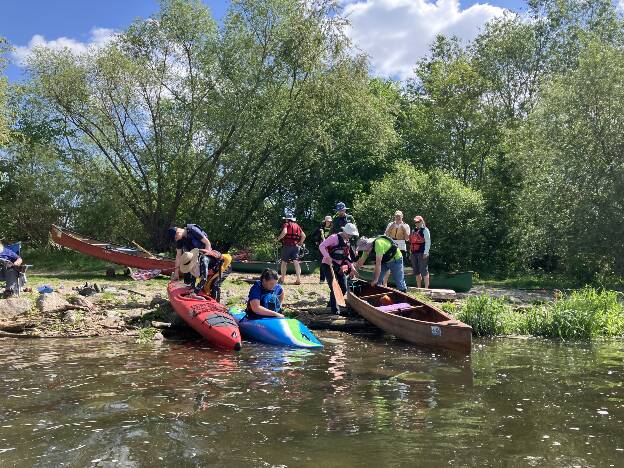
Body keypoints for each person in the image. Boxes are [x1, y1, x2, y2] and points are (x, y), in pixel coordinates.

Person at [318, 223, 359, 315]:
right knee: (334, 287)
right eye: (349, 234)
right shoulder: (334, 238)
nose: (350, 236)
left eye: (351, 235)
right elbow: (322, 246)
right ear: (344, 231)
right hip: (328, 265)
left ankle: (329, 306)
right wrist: (327, 256)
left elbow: (347, 255)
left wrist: (352, 267)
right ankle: (334, 312)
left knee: (343, 288)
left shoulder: (347, 241)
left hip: (339, 266)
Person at [276, 214, 306, 285]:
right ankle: (298, 279)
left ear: (287, 219)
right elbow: (304, 236)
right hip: (296, 246)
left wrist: (278, 239)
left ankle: (282, 279)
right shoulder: (297, 226)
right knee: (296, 262)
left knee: (284, 263)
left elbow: (285, 232)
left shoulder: (286, 224)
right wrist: (300, 243)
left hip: (287, 246)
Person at [409, 215, 431, 288]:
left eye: (418, 221)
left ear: (421, 221)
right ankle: (419, 287)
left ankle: (426, 288)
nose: (416, 223)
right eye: (415, 222)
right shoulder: (413, 230)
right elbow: (412, 242)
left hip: (422, 252)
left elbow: (428, 242)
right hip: (414, 253)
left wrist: (426, 252)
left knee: (424, 270)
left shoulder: (425, 230)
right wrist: (410, 253)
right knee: (416, 271)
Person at [314, 216, 333, 283]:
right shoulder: (320, 228)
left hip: (331, 248)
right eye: (327, 221)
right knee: (323, 263)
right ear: (325, 221)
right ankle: (322, 279)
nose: (328, 222)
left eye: (329, 221)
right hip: (323, 248)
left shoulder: (332, 228)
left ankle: (331, 278)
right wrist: (318, 238)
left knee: (332, 262)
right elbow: (314, 236)